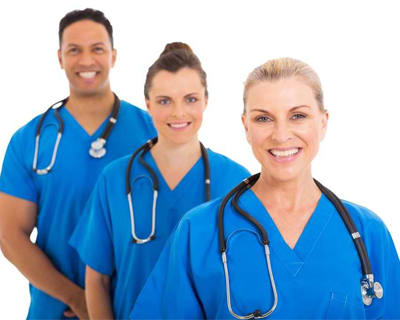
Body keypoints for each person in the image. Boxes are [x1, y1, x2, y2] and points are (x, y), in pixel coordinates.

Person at [129, 58, 400, 319]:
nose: (281, 135)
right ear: (246, 126)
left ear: (323, 122)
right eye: (263, 119)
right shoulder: (198, 231)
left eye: (298, 115)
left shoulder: (367, 232)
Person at [69, 42, 251, 319]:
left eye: (190, 99)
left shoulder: (237, 182)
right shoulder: (115, 179)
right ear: (148, 104)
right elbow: (97, 280)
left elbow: (246, 282)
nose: (178, 112)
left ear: (205, 100)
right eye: (165, 101)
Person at [0, 8, 156, 320]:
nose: (86, 61)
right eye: (74, 50)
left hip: (133, 306)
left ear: (113, 56)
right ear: (60, 58)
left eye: (97, 49)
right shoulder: (30, 140)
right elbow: (10, 234)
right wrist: (78, 298)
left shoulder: (151, 131)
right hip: (56, 309)